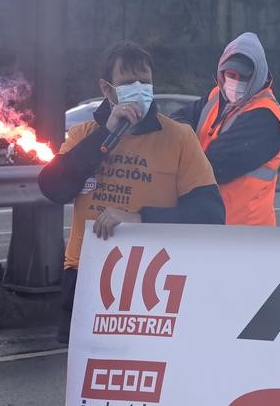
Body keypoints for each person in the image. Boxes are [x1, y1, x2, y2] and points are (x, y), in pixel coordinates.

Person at [38, 40, 225, 342]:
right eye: (128, 82)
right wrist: (104, 136)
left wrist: (140, 219)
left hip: (156, 279)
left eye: (145, 81)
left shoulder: (179, 138)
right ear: (107, 89)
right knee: (87, 378)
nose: (139, 88)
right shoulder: (83, 135)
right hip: (87, 274)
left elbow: (210, 214)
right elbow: (54, 187)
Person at [171, 32, 280, 225]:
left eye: (243, 77)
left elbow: (215, 165)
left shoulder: (265, 117)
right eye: (231, 75)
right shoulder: (217, 96)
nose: (235, 82)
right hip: (213, 225)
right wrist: (184, 136)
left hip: (245, 233)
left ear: (257, 76)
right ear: (221, 72)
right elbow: (177, 120)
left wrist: (178, 155)